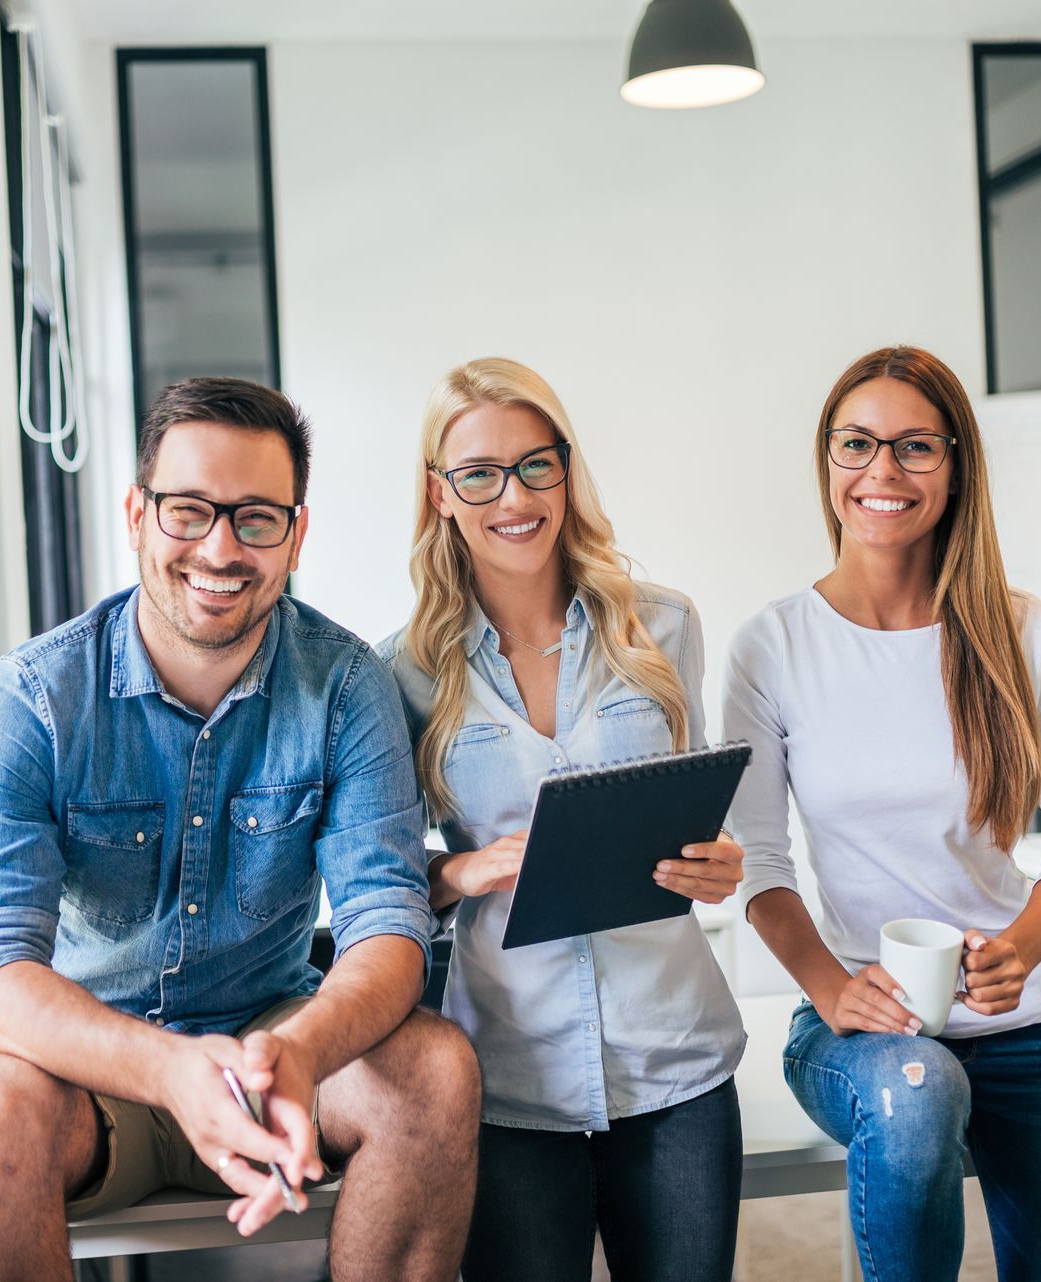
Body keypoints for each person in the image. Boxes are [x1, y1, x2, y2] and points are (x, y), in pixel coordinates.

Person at [0, 378, 480, 1282]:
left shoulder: (345, 688)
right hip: (88, 1072)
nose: (220, 548)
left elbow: (389, 925)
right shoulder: (30, 700)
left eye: (257, 518)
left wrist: (299, 1050)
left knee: (435, 1069)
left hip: (274, 1048)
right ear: (137, 516)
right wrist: (170, 1070)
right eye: (189, 512)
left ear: (296, 536)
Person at [725, 346, 1041, 1282]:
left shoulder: (1026, 633)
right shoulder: (773, 645)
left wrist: (1024, 945)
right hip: (868, 1033)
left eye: (915, 448)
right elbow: (760, 861)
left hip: (1037, 1026)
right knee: (918, 1089)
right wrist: (831, 989)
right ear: (827, 463)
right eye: (857, 444)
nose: (883, 472)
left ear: (955, 468)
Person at [379, 358, 747, 1282]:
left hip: (676, 1058)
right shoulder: (401, 673)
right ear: (441, 494)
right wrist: (465, 871)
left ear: (566, 468)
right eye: (480, 474)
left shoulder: (661, 629)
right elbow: (379, 880)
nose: (516, 495)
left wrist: (719, 861)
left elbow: (694, 809)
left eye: (537, 464)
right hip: (509, 1075)